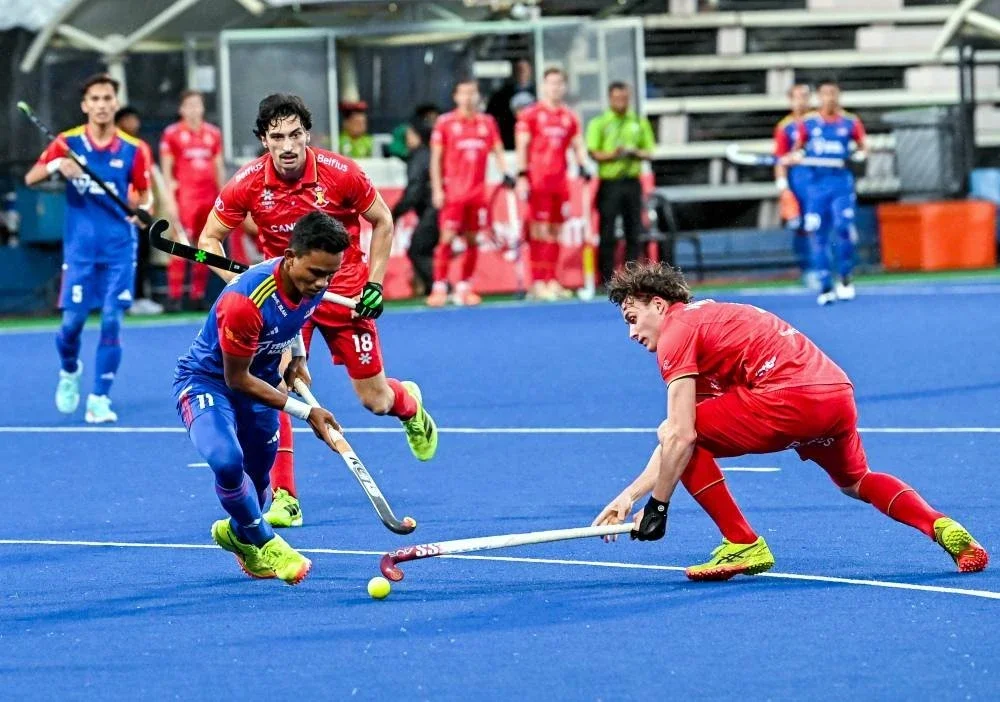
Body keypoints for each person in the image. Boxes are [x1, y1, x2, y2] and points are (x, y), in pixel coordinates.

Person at [592, 261, 988, 579]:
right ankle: (939, 525)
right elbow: (676, 447)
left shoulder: (677, 334)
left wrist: (658, 507)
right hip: (835, 395)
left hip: (787, 398)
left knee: (681, 433)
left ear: (658, 305)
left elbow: (680, 435)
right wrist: (630, 497)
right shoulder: (709, 320)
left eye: (632, 317)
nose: (631, 333)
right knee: (856, 481)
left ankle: (743, 542)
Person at [198, 93, 438, 529]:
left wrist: (375, 284)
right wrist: (241, 283)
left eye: (294, 135)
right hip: (285, 299)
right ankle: (285, 496)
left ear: (307, 134)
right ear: (263, 140)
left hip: (343, 292)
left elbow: (381, 220)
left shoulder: (340, 173)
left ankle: (408, 405)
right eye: (277, 137)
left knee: (374, 400)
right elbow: (209, 239)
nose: (287, 146)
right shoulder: (247, 183)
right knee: (276, 386)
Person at [175, 211, 348, 584]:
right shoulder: (244, 301)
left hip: (263, 378)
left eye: (329, 275)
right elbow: (236, 379)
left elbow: (293, 318)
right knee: (226, 460)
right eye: (315, 273)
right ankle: (267, 543)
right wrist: (308, 412)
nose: (321, 283)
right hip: (209, 382)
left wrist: (297, 358)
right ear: (290, 257)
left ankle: (235, 534)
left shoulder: (308, 284)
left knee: (256, 485)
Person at [24, 73, 151, 424]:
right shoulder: (67, 143)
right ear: (85, 105)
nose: (101, 104)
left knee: (111, 321)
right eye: (94, 99)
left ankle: (99, 398)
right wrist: (55, 165)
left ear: (115, 103)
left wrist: (140, 211)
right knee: (71, 325)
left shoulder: (134, 149)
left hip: (119, 249)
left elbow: (142, 193)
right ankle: (69, 370)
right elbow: (30, 178)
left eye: (107, 98)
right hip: (80, 252)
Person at [428, 78, 514, 307]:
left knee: (473, 240)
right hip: (453, 194)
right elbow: (436, 159)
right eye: (464, 93)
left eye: (472, 93)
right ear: (456, 97)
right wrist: (437, 189)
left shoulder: (487, 123)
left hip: (477, 195)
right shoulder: (445, 123)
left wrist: (507, 171)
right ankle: (439, 286)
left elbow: (498, 150)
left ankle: (464, 286)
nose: (468, 97)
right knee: (446, 238)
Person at [515, 68, 591, 301]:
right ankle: (538, 281)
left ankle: (552, 279)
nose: (555, 87)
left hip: (560, 183)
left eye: (559, 83)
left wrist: (583, 164)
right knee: (540, 231)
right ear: (543, 86)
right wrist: (521, 175)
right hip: (538, 182)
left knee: (556, 232)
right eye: (551, 83)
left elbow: (578, 144)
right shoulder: (531, 114)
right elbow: (522, 146)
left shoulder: (569, 117)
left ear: (564, 87)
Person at [796, 79, 867, 306]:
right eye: (825, 94)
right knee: (818, 235)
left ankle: (845, 278)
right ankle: (825, 284)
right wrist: (797, 155)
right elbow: (798, 148)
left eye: (834, 93)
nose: (830, 98)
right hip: (816, 189)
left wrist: (860, 155)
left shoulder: (850, 122)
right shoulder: (808, 123)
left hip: (841, 185)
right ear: (819, 97)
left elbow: (864, 145)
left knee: (843, 228)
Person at [160, 90, 225, 312]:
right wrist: (170, 199)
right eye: (189, 105)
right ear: (181, 109)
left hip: (208, 198)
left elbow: (218, 167)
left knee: (204, 246)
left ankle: (197, 295)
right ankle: (175, 296)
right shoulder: (172, 134)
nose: (194, 109)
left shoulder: (213, 134)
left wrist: (223, 195)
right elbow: (167, 171)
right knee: (180, 246)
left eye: (197, 104)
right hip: (185, 199)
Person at [585, 82, 655, 288]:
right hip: (610, 183)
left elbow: (649, 151)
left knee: (634, 230)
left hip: (632, 182)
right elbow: (594, 152)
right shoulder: (600, 123)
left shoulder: (638, 122)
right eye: (617, 99)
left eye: (624, 98)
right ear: (610, 99)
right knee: (607, 231)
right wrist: (613, 155)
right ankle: (606, 278)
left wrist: (634, 152)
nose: (621, 103)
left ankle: (634, 278)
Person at [115, 106, 164, 316]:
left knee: (142, 255)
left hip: (141, 214)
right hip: (119, 214)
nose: (133, 124)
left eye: (135, 119)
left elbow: (149, 180)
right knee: (122, 258)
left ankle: (141, 297)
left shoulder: (141, 147)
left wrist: (146, 208)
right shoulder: (115, 147)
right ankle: (125, 297)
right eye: (128, 120)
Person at [772, 84, 814, 288]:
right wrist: (782, 186)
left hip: (819, 180)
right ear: (790, 100)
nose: (802, 101)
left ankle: (825, 269)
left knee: (820, 225)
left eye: (805, 96)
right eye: (797, 97)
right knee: (800, 227)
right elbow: (779, 158)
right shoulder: (785, 127)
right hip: (798, 182)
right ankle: (807, 269)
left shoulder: (818, 121)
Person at [391, 119, 437, 296]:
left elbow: (415, 190)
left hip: (433, 210)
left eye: (409, 134)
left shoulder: (419, 157)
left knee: (417, 249)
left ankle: (438, 287)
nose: (406, 138)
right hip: (439, 209)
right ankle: (433, 286)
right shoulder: (430, 154)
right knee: (426, 248)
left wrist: (396, 212)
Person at [486, 58, 535, 150]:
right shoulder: (501, 95)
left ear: (530, 70)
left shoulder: (539, 92)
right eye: (518, 70)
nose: (521, 73)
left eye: (524, 69)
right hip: (509, 141)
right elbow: (491, 117)